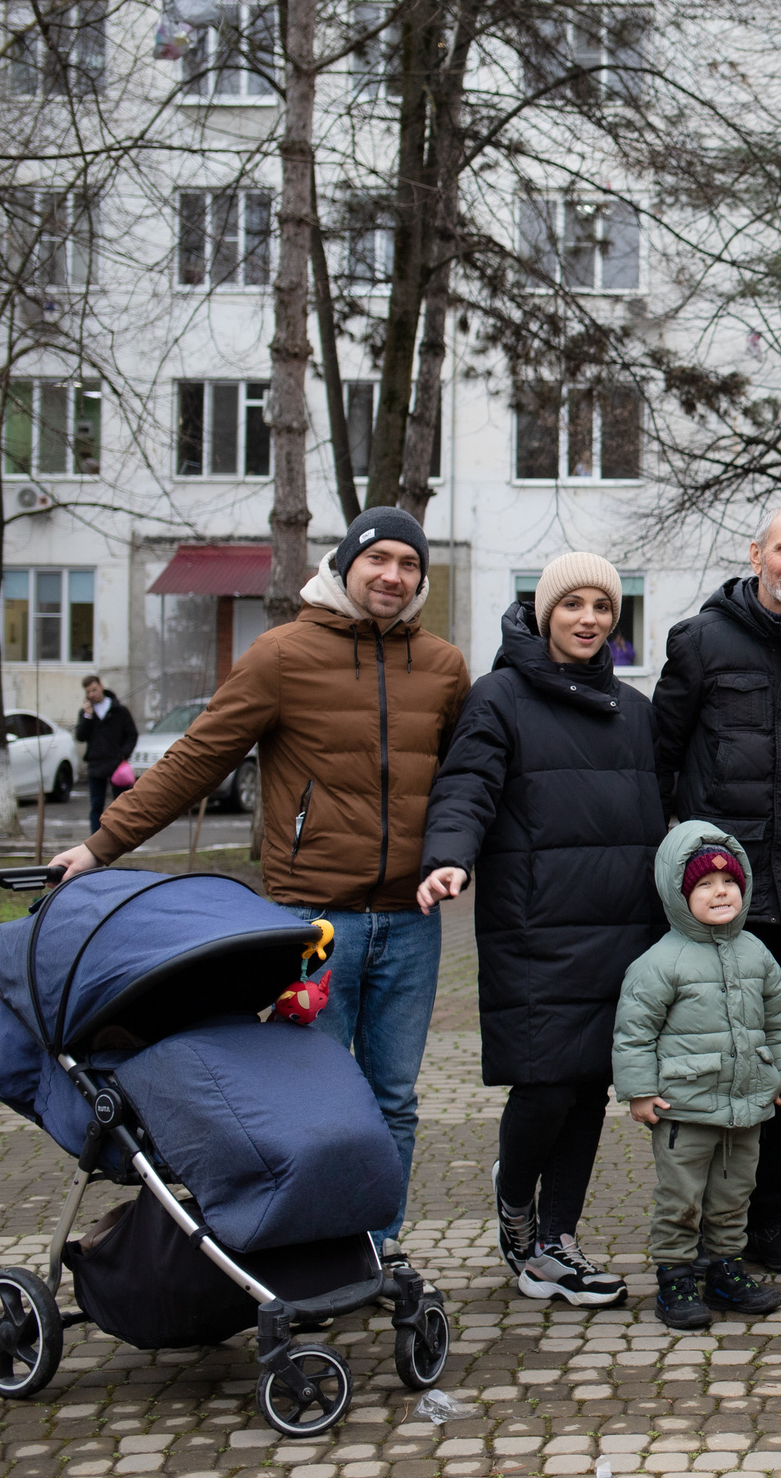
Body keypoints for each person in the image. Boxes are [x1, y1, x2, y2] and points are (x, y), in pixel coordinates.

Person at [49, 506, 469, 1259]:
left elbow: (468, 781)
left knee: (394, 1098)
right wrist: (100, 845)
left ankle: (376, 1246)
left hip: (410, 920)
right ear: (346, 566)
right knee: (310, 1099)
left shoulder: (441, 665)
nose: (394, 575)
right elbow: (195, 758)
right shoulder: (282, 654)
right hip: (311, 925)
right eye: (379, 560)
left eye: (409, 565)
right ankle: (310, 1248)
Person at [417, 553, 666, 1309]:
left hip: (623, 928)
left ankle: (556, 1241)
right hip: (537, 928)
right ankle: (517, 1203)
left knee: (590, 1083)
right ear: (542, 612)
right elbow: (466, 786)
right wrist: (450, 856)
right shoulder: (498, 698)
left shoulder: (634, 710)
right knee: (546, 1085)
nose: (588, 618)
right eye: (572, 604)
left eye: (601, 606)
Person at [653, 505, 781, 1276]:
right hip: (720, 904)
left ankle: (769, 1218)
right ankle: (699, 1227)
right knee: (712, 1069)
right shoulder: (700, 642)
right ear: (756, 553)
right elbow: (659, 761)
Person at [614, 825, 781, 1330]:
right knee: (681, 1197)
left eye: (729, 881)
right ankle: (675, 1276)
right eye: (704, 884)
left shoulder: (756, 953)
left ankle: (724, 1269)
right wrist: (639, 1090)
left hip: (744, 1105)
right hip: (684, 1108)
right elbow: (634, 1033)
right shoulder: (659, 962)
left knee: (733, 1193)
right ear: (679, 896)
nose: (720, 891)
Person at [73, 674, 138, 834]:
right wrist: (87, 716)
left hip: (116, 765)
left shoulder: (119, 710)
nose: (92, 694)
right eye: (88, 692)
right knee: (96, 805)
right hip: (95, 764)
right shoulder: (87, 712)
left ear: (101, 686)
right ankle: (96, 840)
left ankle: (121, 837)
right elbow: (81, 737)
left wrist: (124, 754)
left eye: (94, 690)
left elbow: (132, 734)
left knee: (121, 805)